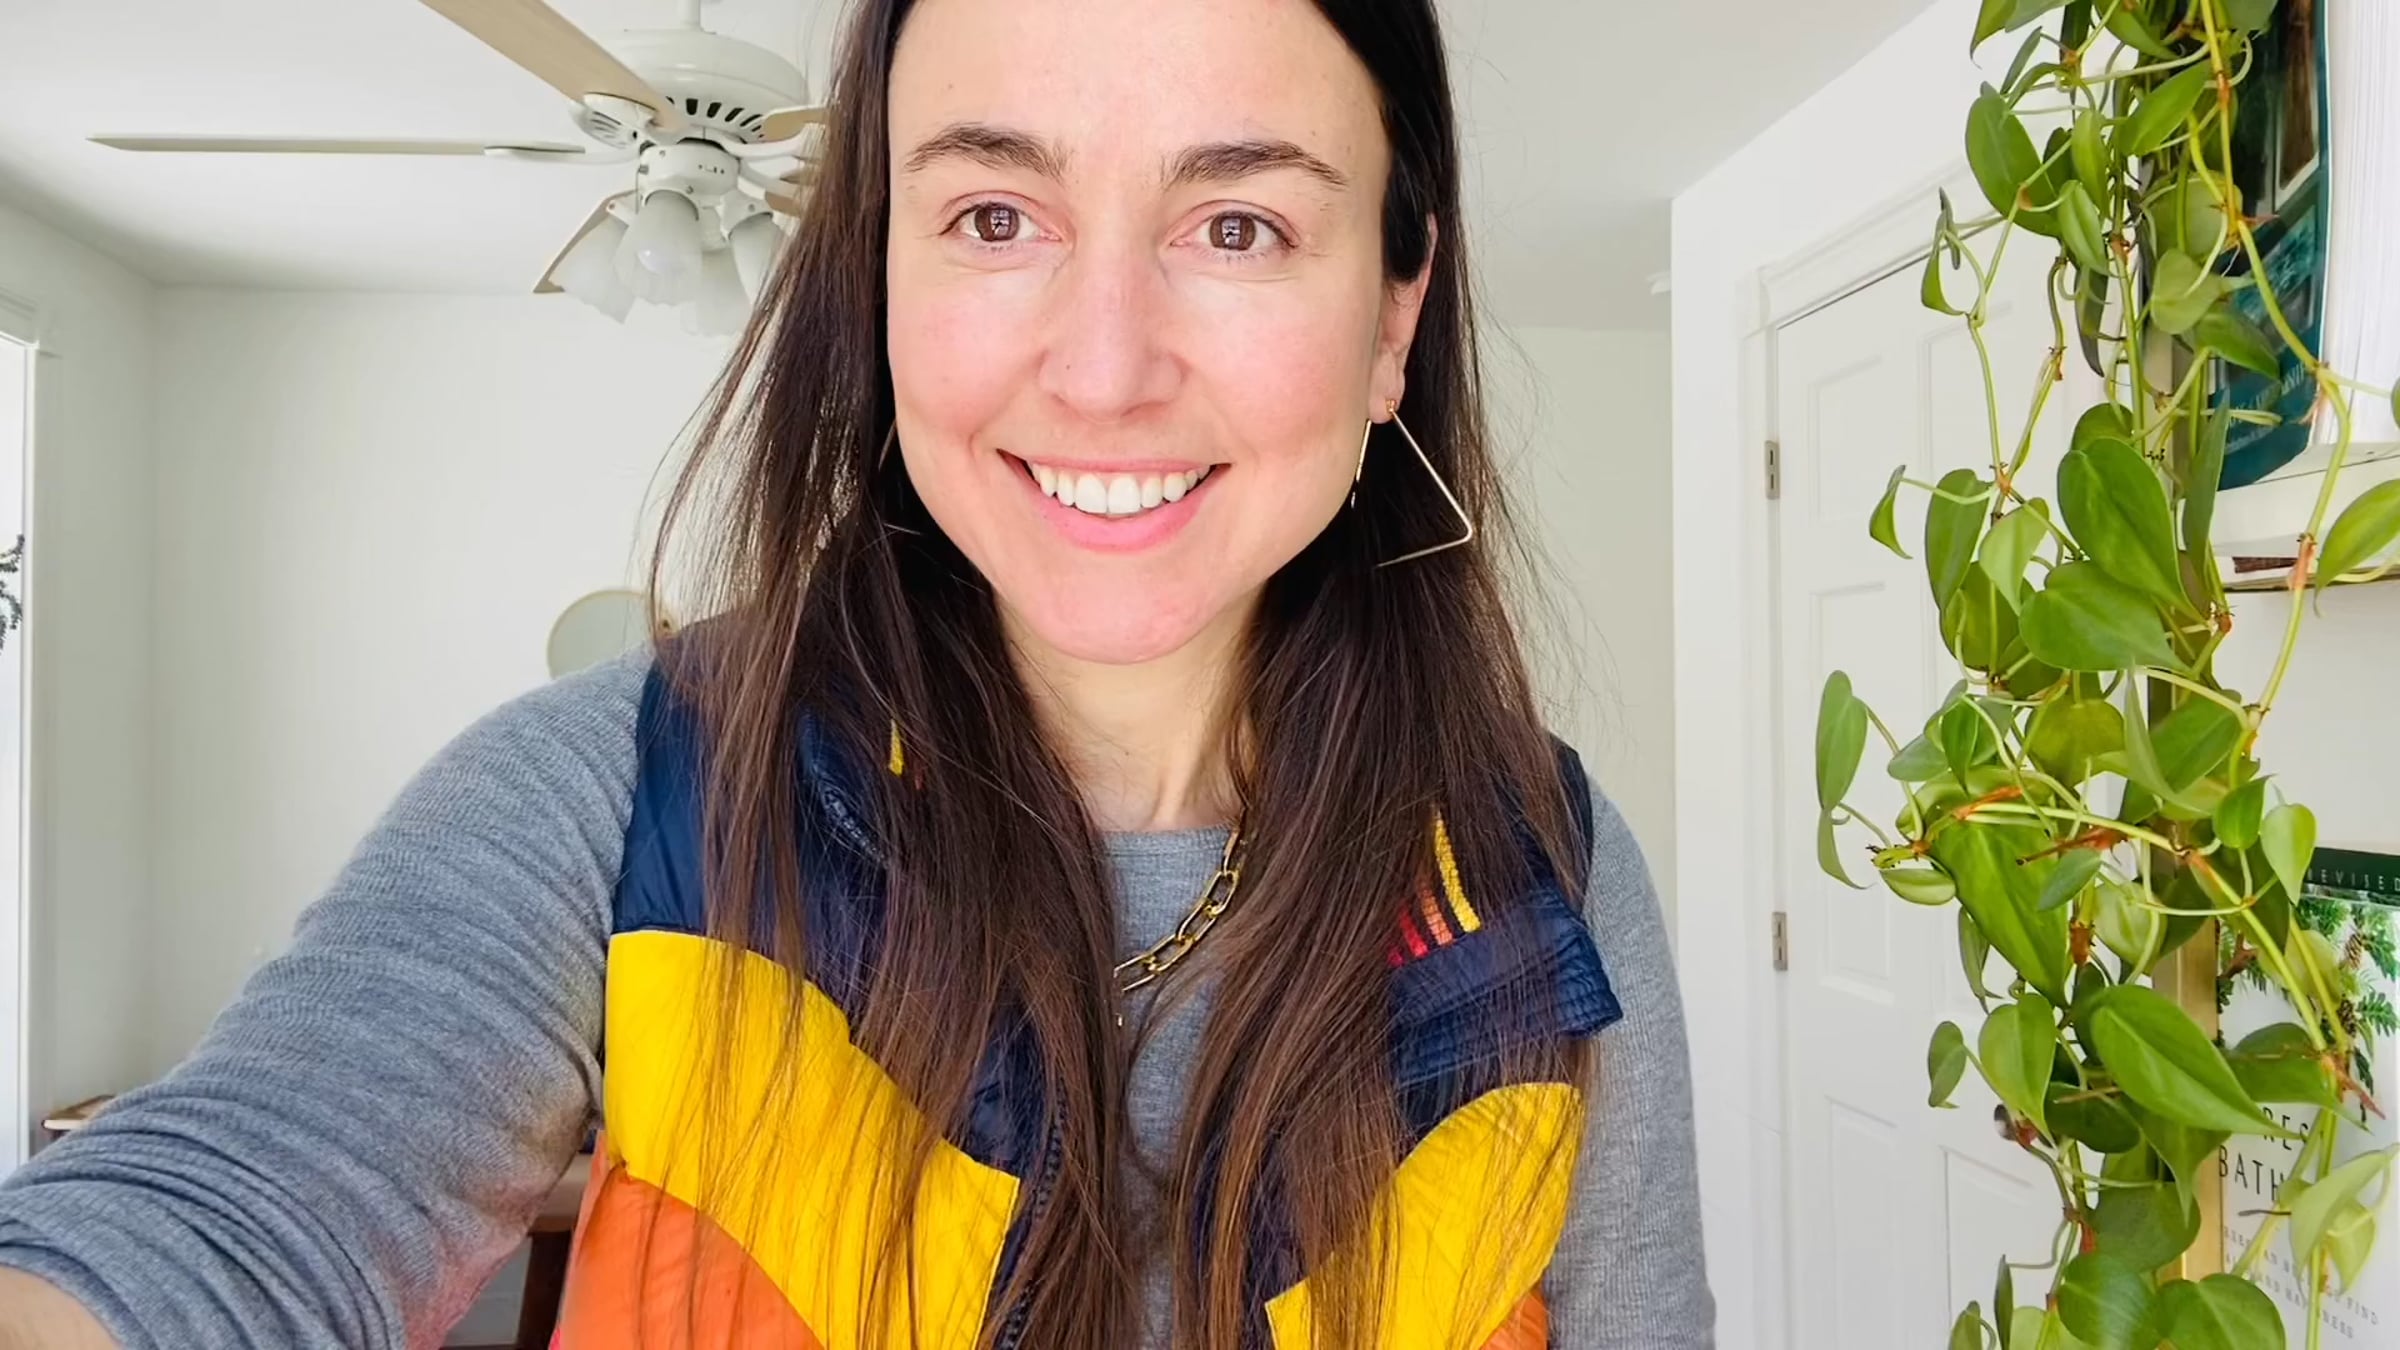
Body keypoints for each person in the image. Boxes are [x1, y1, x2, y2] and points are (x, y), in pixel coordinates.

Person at [0, 0, 1711, 1345]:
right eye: (994, 213)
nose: (1104, 369)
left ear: (1394, 318)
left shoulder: (1547, 875)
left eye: (1240, 226)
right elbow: (227, 1220)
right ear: (880, 281)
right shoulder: (622, 794)